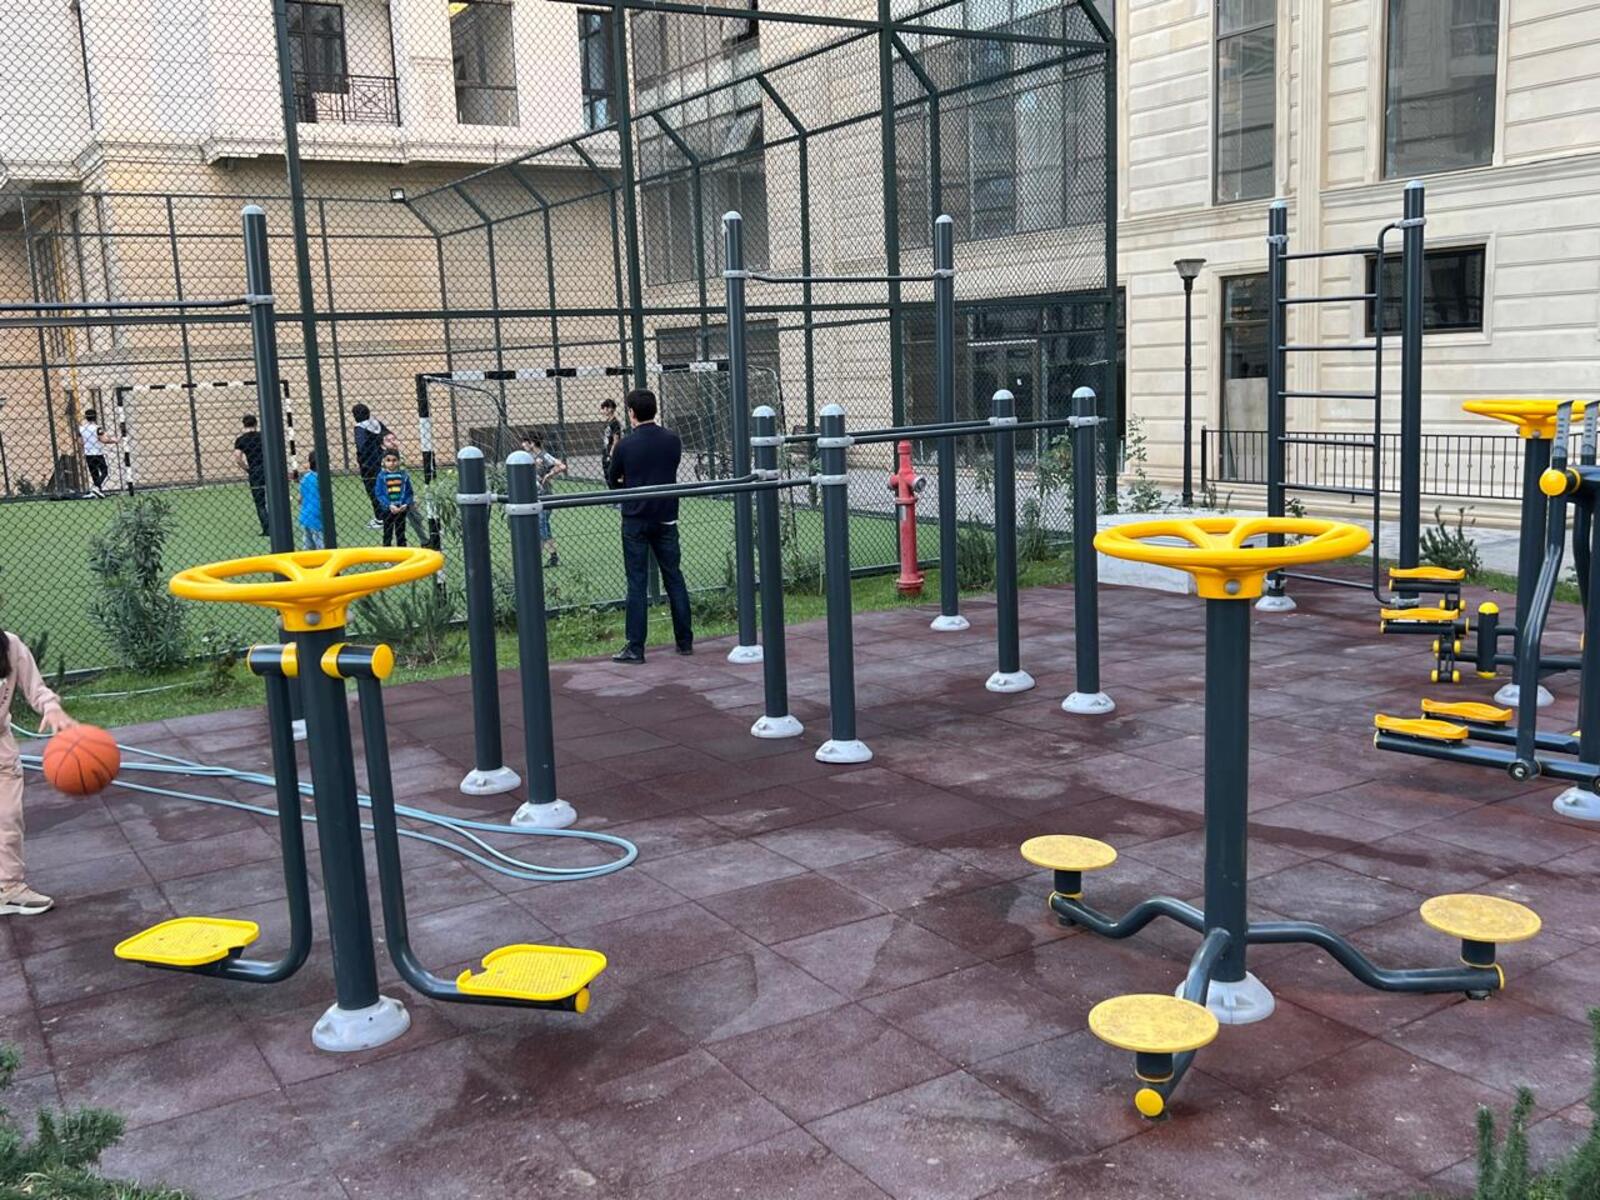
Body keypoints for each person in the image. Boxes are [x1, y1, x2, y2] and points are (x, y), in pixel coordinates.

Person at [605, 389, 693, 663]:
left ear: (631, 413)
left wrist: (629, 481)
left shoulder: (625, 446)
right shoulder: (672, 440)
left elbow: (612, 479)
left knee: (637, 581)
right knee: (674, 577)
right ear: (654, 409)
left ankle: (635, 647)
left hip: (636, 519)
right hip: (666, 516)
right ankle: (684, 641)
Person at [0, 630, 80, 915]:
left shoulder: (10, 646)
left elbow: (36, 688)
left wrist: (51, 707)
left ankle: (9, 888)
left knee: (8, 819)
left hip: (2, 752)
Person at [382, 432, 434, 548]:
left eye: (394, 439)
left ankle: (425, 540)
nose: (392, 442)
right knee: (394, 525)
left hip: (405, 495)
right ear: (383, 444)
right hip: (392, 497)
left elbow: (405, 476)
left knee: (415, 517)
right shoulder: (385, 460)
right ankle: (424, 541)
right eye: (388, 440)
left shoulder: (400, 456)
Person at [523, 431, 566, 568]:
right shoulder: (529, 457)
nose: (522, 444)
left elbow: (561, 466)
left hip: (545, 496)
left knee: (542, 526)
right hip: (535, 497)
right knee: (542, 526)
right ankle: (552, 556)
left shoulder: (543, 455)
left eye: (525, 442)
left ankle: (539, 559)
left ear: (532, 443)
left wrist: (549, 475)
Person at [352, 403, 390, 529]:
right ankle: (390, 513)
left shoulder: (359, 428)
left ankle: (380, 518)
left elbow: (361, 447)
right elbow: (388, 436)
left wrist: (362, 460)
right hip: (383, 461)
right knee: (386, 488)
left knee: (373, 491)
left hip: (369, 466)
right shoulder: (376, 423)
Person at [232, 414, 270, 536]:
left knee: (260, 502)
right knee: (273, 497)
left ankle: (267, 528)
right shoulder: (264, 436)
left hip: (255, 470)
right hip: (269, 468)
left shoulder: (241, 440)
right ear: (256, 423)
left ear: (243, 424)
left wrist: (247, 469)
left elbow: (237, 457)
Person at [373, 449, 414, 548]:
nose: (391, 463)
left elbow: (409, 492)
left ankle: (402, 552)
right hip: (387, 509)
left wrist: (406, 504)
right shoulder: (381, 476)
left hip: (401, 508)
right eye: (388, 460)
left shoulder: (404, 475)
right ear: (384, 461)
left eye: (394, 460)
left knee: (401, 533)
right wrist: (389, 505)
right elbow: (379, 493)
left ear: (399, 461)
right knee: (387, 533)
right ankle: (387, 553)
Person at [78, 408, 116, 498]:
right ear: (95, 417)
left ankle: (97, 491)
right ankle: (96, 488)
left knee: (94, 474)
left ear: (86, 417)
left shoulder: (81, 429)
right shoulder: (97, 428)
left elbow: (80, 442)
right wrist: (113, 440)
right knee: (104, 471)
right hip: (97, 453)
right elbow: (104, 440)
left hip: (88, 454)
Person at [299, 450, 324, 550]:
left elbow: (300, 499)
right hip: (317, 516)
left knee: (308, 546)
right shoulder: (322, 479)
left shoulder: (305, 477)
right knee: (321, 545)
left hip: (305, 516)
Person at [599, 398, 623, 480]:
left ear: (608, 409)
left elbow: (616, 439)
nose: (603, 411)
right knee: (606, 474)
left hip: (610, 452)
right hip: (606, 450)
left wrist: (611, 453)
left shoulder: (615, 423)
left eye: (604, 408)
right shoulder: (608, 422)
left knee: (610, 475)